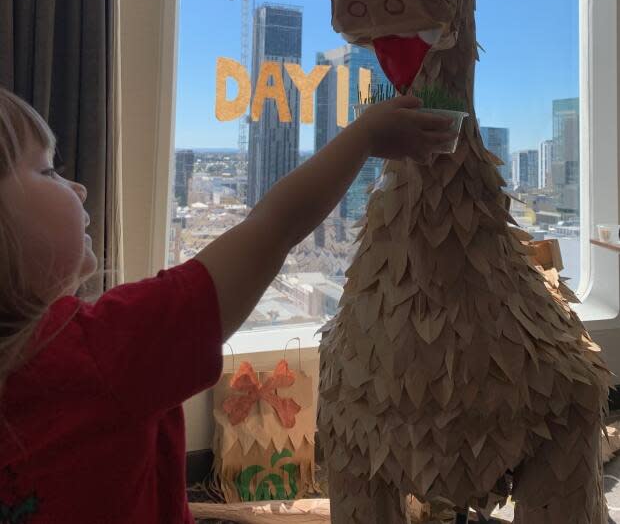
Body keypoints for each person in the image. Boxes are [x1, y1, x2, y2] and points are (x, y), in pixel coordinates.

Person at [0, 85, 453, 522]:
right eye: (47, 170)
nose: (77, 188)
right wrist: (365, 136)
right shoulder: (103, 349)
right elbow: (272, 228)